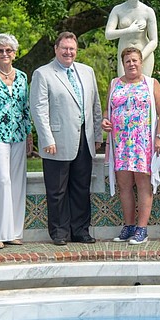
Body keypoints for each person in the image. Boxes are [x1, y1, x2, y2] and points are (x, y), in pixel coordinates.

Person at [30, 32, 103, 245]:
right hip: (57, 141)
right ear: (56, 49)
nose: (68, 52)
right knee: (57, 190)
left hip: (85, 139)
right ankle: (60, 233)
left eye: (72, 49)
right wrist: (46, 139)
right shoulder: (43, 74)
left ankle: (80, 230)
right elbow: (39, 109)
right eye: (64, 48)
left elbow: (95, 106)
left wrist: (97, 134)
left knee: (81, 187)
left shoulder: (87, 72)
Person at [103, 47, 160, 244]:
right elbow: (108, 111)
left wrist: (159, 136)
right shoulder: (115, 83)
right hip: (120, 143)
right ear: (123, 64)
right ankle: (129, 226)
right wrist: (105, 121)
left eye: (135, 60)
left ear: (141, 62)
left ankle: (142, 229)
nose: (131, 64)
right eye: (128, 61)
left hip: (143, 143)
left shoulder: (151, 84)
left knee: (143, 184)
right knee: (124, 185)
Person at [0, 34, 33, 249]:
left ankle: (15, 232)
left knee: (18, 182)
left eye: (8, 50)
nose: (4, 54)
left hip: (18, 134)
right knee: (3, 181)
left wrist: (29, 134)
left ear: (15, 53)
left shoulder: (21, 77)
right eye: (0, 50)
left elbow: (26, 107)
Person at [105, 0, 159, 77]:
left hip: (144, 54)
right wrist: (129, 30)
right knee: (124, 86)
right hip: (125, 55)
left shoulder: (148, 11)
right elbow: (108, 34)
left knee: (144, 87)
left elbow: (154, 41)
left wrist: (140, 57)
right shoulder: (118, 10)